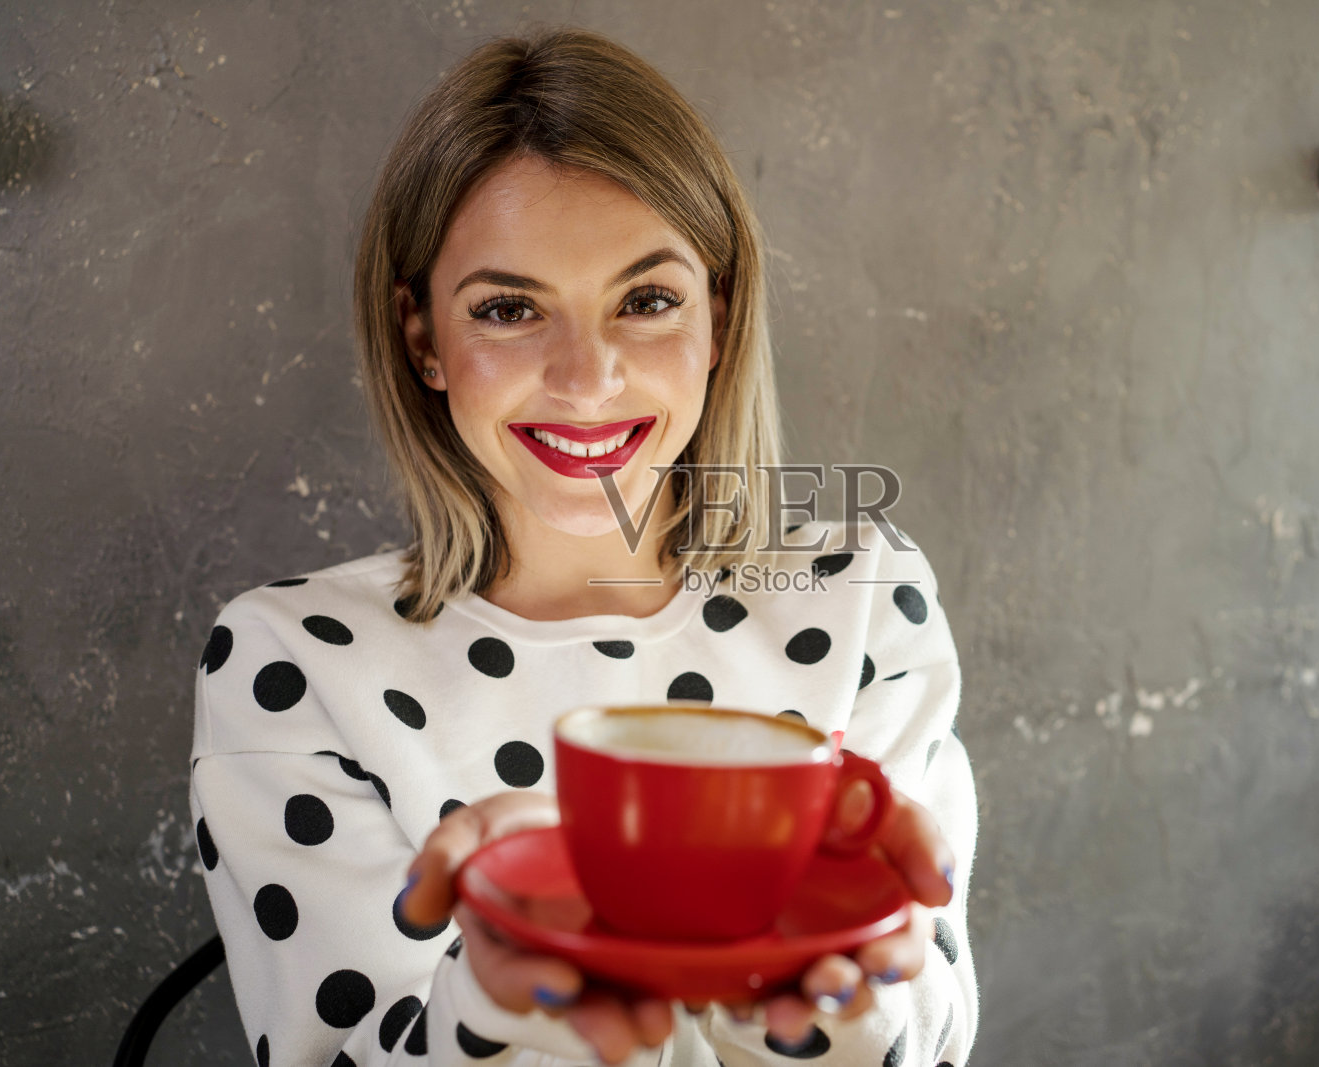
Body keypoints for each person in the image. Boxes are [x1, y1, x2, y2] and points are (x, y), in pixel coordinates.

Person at [188, 26, 979, 1067]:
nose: (586, 377)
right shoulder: (294, 660)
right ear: (423, 338)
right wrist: (506, 995)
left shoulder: (861, 594)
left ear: (718, 317)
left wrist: (829, 977)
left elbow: (923, 1041)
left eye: (647, 300)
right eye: (509, 309)